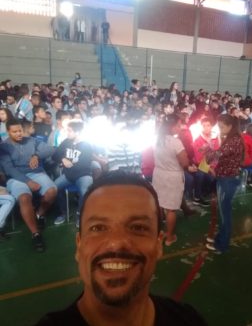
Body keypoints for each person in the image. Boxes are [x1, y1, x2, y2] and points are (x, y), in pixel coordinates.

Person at [34, 171, 208, 326]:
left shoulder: (189, 320)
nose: (116, 243)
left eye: (138, 228)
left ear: (158, 244)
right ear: (79, 246)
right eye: (98, 228)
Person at [0, 119, 57, 252]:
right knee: (25, 198)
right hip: (16, 178)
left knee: (52, 191)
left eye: (20, 130)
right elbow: (9, 169)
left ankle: (39, 214)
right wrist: (28, 181)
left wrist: (36, 155)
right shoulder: (3, 147)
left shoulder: (31, 141)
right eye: (15, 132)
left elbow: (51, 150)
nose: (19, 134)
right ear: (8, 132)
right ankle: (36, 234)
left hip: (35, 173)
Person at [205, 115, 244, 253]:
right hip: (225, 177)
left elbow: (213, 157)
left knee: (225, 214)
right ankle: (220, 237)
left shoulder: (234, 141)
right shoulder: (231, 138)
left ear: (230, 126)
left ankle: (222, 245)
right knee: (224, 212)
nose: (220, 129)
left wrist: (207, 148)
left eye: (222, 127)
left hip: (228, 180)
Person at [152, 114, 189, 246]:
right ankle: (169, 237)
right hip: (172, 176)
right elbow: (184, 162)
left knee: (160, 204)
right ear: (172, 127)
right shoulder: (175, 142)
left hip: (158, 174)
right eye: (179, 125)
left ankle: (157, 233)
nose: (181, 128)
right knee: (171, 209)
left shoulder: (157, 139)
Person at [53, 120, 93, 227]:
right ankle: (63, 213)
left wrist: (70, 169)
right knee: (54, 188)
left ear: (78, 132)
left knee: (85, 191)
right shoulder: (66, 142)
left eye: (69, 131)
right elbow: (55, 155)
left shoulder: (86, 145)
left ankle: (80, 215)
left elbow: (84, 165)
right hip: (69, 175)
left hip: (83, 175)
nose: (67, 133)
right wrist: (63, 159)